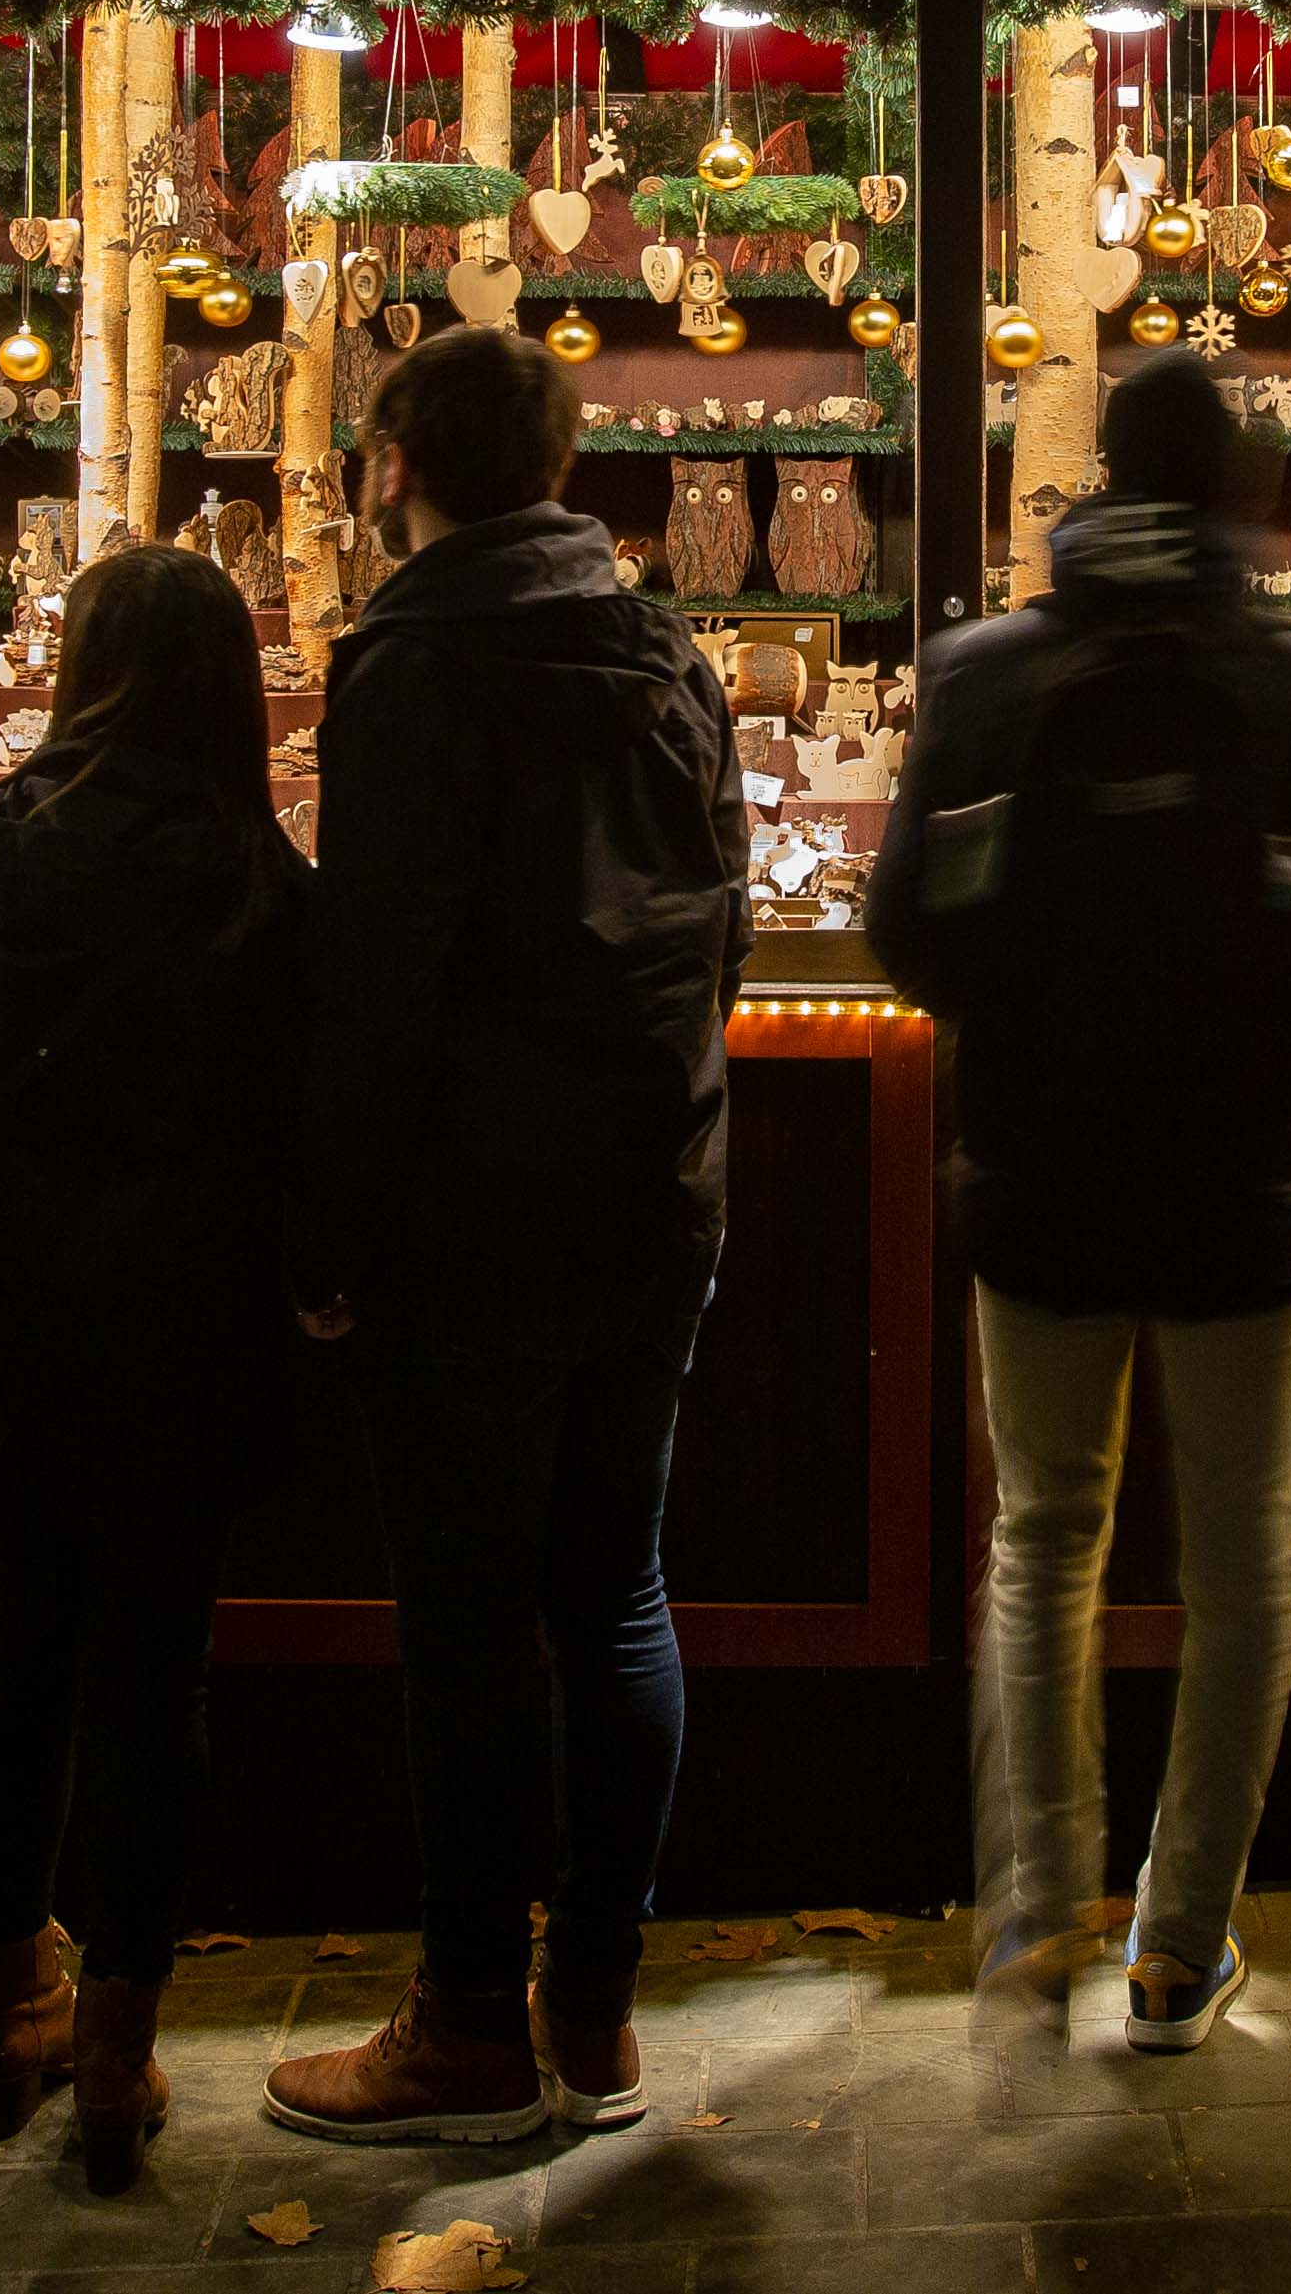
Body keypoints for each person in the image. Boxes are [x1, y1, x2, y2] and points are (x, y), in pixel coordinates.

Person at [872, 354, 1291, 2047]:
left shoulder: (979, 675)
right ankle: (1179, 1945)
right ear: (1236, 495)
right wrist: (1275, 1041)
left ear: (1092, 481)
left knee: (1040, 1539)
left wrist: (1027, 1026)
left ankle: (1038, 1910)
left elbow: (907, 932)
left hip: (1037, 1174)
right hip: (1250, 1180)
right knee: (1242, 1566)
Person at [269, 324, 749, 2145]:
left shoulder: (405, 665)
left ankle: (468, 2014)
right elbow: (720, 922)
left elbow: (378, 986)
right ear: (560, 465)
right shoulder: (665, 647)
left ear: (396, 463)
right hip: (654, 1193)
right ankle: (598, 2004)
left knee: (467, 1620)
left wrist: (324, 1224)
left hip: (470, 1215)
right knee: (614, 1588)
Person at [0, 543, 315, 2191]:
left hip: (0, 1312)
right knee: (149, 1683)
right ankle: (115, 2045)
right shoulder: (262, 886)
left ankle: (2, 2001)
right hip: (185, 1321)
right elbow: (312, 1125)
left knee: (13, 1655)